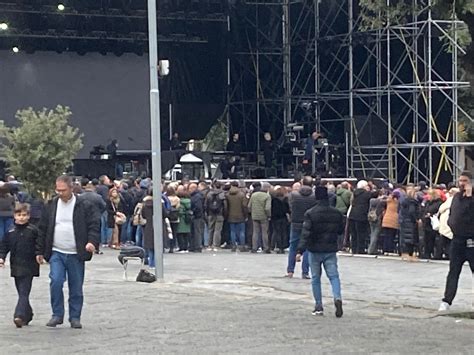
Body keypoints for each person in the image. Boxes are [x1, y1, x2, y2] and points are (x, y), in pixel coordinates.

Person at [39, 175, 100, 329]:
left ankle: (75, 317)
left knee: (76, 286)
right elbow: (43, 228)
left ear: (71, 188)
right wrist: (39, 250)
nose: (60, 193)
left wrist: (91, 242)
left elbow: (94, 224)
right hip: (56, 251)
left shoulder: (84, 205)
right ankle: (57, 314)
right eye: (57, 190)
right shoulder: (51, 204)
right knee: (56, 281)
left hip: (76, 252)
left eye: (63, 190)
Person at [296, 186, 344, 317]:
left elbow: (305, 234)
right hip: (330, 249)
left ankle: (318, 305)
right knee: (334, 276)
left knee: (316, 278)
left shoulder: (310, 213)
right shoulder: (336, 213)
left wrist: (300, 250)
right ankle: (337, 297)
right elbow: (340, 230)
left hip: (314, 249)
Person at [0, 203, 44, 328]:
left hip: (30, 265)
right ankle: (28, 314)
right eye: (19, 215)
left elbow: (39, 244)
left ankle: (18, 315)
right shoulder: (10, 231)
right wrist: (2, 258)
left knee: (24, 291)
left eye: (24, 215)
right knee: (21, 292)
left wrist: (39, 254)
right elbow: (4, 246)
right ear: (14, 216)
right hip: (16, 265)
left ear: (28, 216)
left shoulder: (33, 230)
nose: (21, 218)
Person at [439, 171, 474, 312]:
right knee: (453, 271)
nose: (462, 184)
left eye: (465, 181)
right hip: (457, 239)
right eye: (460, 181)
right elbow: (454, 213)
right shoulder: (457, 197)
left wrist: (470, 197)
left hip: (471, 240)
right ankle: (447, 300)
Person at [286, 176, 316, 278]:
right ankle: (305, 272)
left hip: (296, 223)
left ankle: (290, 270)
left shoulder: (293, 195)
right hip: (309, 223)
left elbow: (290, 207)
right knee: (307, 248)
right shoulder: (314, 196)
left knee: (293, 247)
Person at [248, 182, 272, 253]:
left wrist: (252, 212)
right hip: (264, 216)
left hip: (254, 216)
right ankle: (266, 248)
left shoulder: (254, 195)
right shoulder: (267, 196)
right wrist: (269, 215)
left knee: (255, 232)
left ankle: (254, 248)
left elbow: (249, 206)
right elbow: (267, 208)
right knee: (264, 233)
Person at [399, 188, 420, 261]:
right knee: (411, 239)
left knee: (406, 238)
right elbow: (412, 211)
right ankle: (410, 255)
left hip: (405, 221)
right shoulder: (412, 202)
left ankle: (405, 254)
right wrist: (416, 219)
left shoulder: (404, 202)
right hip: (411, 222)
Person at [226, 181, 248, 252]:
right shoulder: (241, 194)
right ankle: (242, 246)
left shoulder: (228, 194)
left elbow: (226, 206)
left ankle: (233, 246)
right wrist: (245, 215)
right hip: (240, 215)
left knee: (232, 231)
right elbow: (244, 206)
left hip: (231, 215)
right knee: (242, 231)